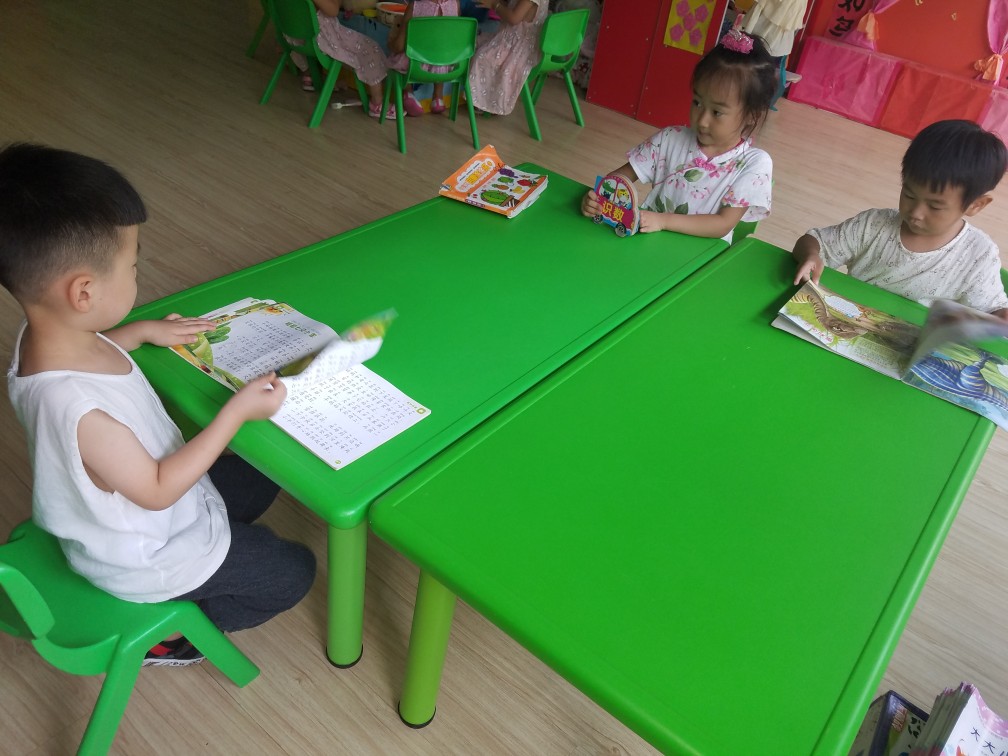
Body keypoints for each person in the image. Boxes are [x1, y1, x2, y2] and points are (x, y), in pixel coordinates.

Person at [0, 143, 316, 666]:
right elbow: (156, 490)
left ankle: (221, 550)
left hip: (151, 514)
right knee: (294, 572)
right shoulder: (82, 415)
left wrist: (143, 331)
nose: (136, 274)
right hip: (149, 558)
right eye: (132, 266)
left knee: (268, 468)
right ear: (83, 293)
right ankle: (176, 635)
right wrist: (233, 414)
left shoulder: (46, 337)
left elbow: (96, 348)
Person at [579, 23, 779, 242]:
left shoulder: (755, 163)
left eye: (717, 112)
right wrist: (600, 197)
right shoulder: (669, 138)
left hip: (700, 256)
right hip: (647, 243)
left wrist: (663, 221)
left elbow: (722, 224)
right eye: (697, 102)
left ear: (752, 115)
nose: (702, 120)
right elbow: (622, 177)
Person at [792, 119, 1008, 318]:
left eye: (935, 206)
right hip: (845, 319)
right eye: (909, 195)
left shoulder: (978, 255)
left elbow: (994, 311)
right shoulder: (873, 225)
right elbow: (815, 242)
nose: (916, 213)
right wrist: (811, 255)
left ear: (975, 205)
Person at [294, 0, 395, 119]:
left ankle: (309, 74)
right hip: (321, 39)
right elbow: (333, 11)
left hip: (298, 36)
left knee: (354, 46)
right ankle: (378, 102)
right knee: (370, 48)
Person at [467, 0, 548, 116]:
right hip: (513, 39)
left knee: (483, 56)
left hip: (519, 47)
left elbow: (514, 18)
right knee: (479, 42)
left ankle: (485, 101)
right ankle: (483, 97)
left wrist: (495, 5)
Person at [387, 0, 461, 116]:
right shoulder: (455, 4)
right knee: (440, 49)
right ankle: (438, 97)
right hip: (447, 66)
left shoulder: (415, 6)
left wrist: (391, 44)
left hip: (416, 67)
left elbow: (399, 46)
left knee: (396, 58)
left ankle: (408, 93)